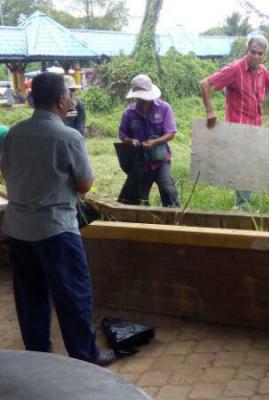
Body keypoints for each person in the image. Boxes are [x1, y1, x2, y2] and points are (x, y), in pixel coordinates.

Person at [0, 72, 115, 366]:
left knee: (30, 296)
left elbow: (6, 172)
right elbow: (85, 184)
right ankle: (84, 355)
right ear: (62, 100)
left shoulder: (14, 133)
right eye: (69, 94)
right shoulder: (68, 136)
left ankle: (40, 357)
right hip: (55, 230)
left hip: (18, 228)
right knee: (73, 294)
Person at [200, 35, 269, 207]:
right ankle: (241, 206)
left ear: (264, 56)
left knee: (249, 165)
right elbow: (205, 84)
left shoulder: (262, 71)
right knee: (245, 165)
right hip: (238, 127)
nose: (256, 56)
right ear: (246, 51)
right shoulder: (235, 69)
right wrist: (210, 111)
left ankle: (242, 203)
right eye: (252, 52)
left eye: (260, 53)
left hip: (256, 127)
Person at [117, 74, 180, 207]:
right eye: (139, 97)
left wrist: (155, 142)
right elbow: (122, 135)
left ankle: (176, 220)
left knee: (168, 190)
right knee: (134, 198)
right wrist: (131, 141)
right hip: (139, 161)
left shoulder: (164, 108)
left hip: (160, 160)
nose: (142, 100)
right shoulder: (128, 113)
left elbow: (171, 133)